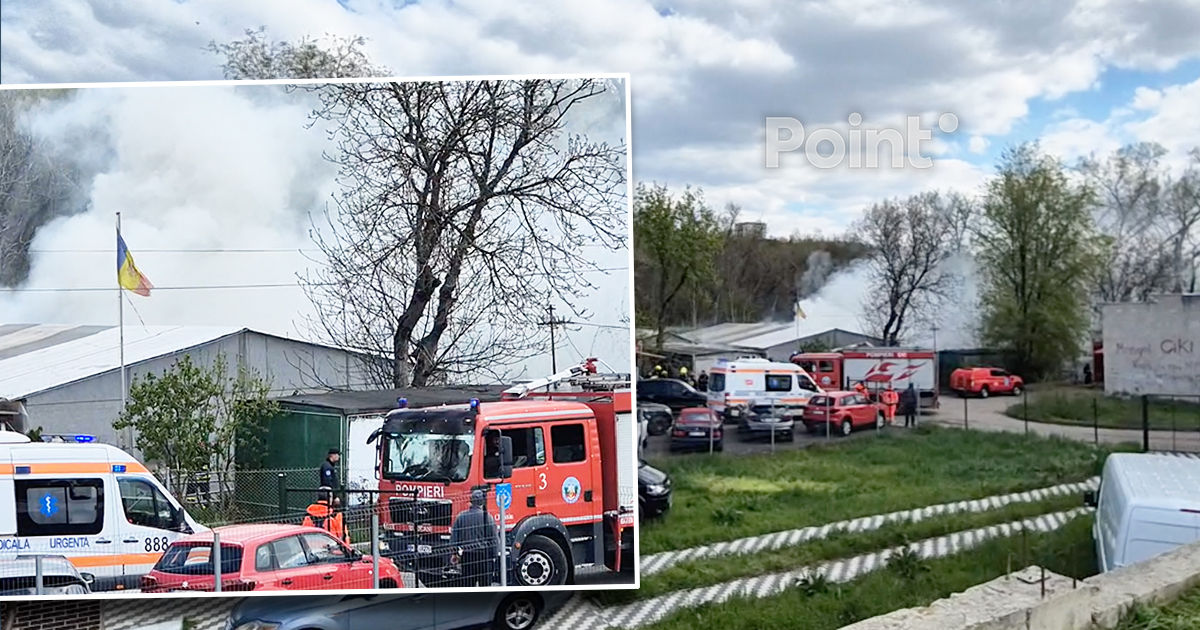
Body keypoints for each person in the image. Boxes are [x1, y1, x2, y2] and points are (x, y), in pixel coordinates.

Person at [450, 489, 498, 586]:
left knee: (468, 585)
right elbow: (494, 539)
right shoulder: (487, 517)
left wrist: (455, 553)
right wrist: (494, 555)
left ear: (471, 501)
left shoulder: (461, 517)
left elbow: (454, 538)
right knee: (485, 587)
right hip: (484, 556)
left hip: (468, 555)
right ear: (482, 502)